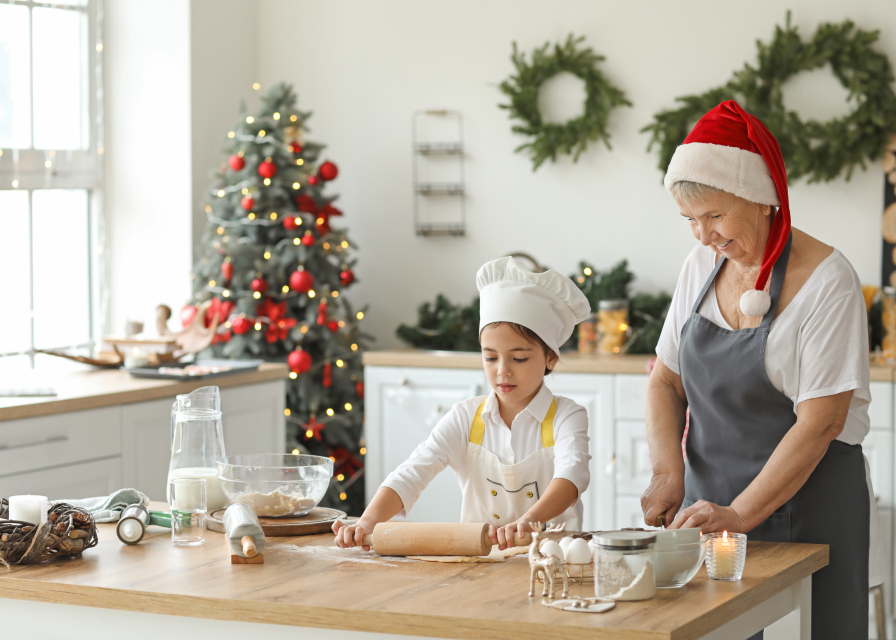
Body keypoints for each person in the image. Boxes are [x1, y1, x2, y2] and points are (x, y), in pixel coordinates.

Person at [641, 100, 877, 639]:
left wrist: (742, 515)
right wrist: (667, 473)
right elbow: (666, 379)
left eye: (715, 216)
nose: (702, 236)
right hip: (710, 513)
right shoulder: (700, 265)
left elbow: (821, 422)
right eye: (690, 220)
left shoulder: (827, 280)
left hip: (809, 513)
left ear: (762, 198)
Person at [334, 256, 592, 550]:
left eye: (519, 358)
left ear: (550, 358)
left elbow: (571, 476)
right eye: (490, 357)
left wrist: (529, 520)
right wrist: (368, 521)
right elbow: (413, 471)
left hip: (553, 563)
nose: (502, 371)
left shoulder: (567, 415)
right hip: (480, 567)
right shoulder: (466, 418)